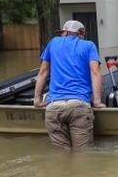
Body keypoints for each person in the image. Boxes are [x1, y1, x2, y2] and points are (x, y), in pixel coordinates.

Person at [33, 20, 105, 150]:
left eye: (62, 32)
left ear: (66, 32)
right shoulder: (89, 46)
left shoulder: (53, 43)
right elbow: (95, 72)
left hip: (54, 107)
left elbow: (43, 72)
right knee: (83, 155)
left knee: (62, 156)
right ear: (81, 33)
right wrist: (97, 101)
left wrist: (37, 100)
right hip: (79, 105)